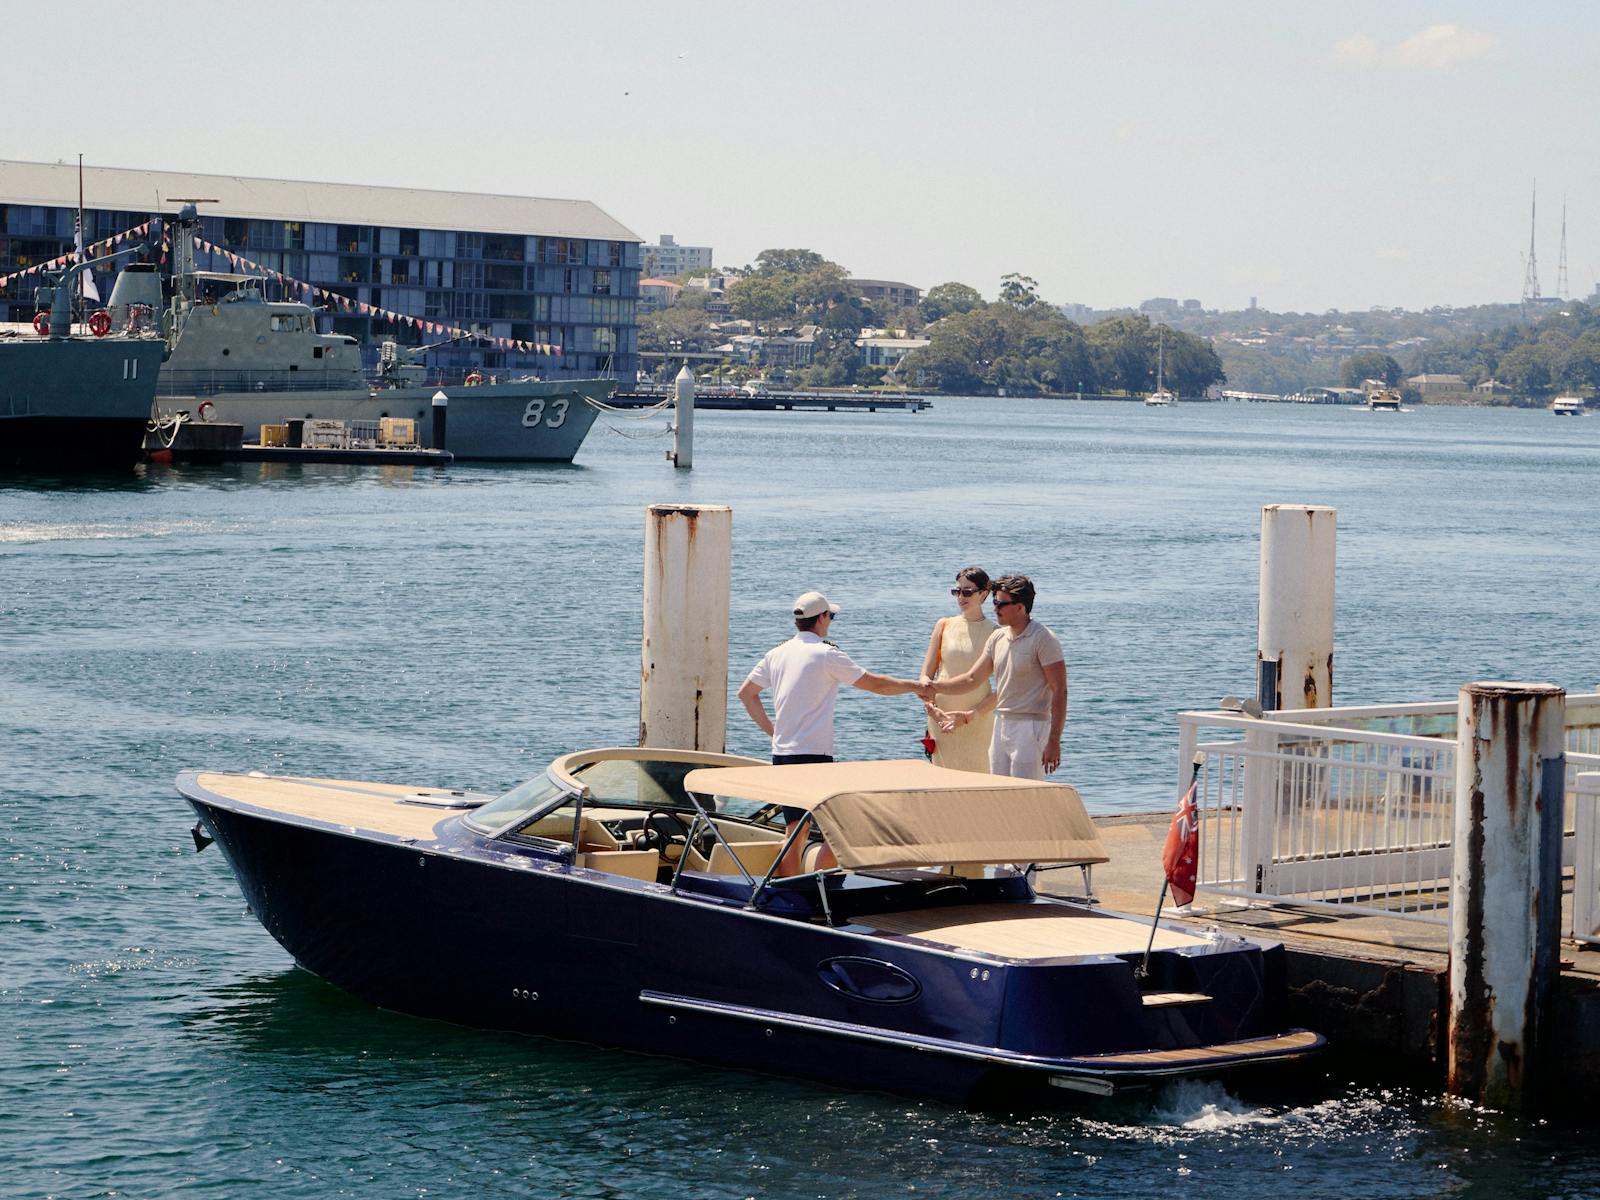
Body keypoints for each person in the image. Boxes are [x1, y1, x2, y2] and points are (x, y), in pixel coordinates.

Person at [738, 590, 930, 765]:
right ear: (822, 618)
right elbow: (876, 685)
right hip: (812, 754)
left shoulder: (775, 654)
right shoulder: (827, 654)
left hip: (780, 754)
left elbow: (746, 693)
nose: (830, 621)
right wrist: (916, 686)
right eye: (831, 616)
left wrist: (774, 733)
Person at [927, 574, 1066, 780]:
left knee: (1025, 791)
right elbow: (971, 679)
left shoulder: (1044, 639)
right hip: (1001, 723)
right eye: (994, 602)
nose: (995, 609)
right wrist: (932, 687)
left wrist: (1054, 740)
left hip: (1031, 726)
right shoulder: (997, 637)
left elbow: (1060, 690)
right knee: (999, 788)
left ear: (1020, 607)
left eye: (1001, 604)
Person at [919, 566, 998, 773]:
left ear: (984, 594)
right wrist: (931, 706)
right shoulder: (944, 625)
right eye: (957, 591)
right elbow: (926, 676)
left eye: (967, 592)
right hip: (941, 718)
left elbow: (1004, 689)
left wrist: (972, 714)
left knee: (979, 780)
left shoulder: (996, 633)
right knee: (943, 779)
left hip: (978, 719)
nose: (961, 597)